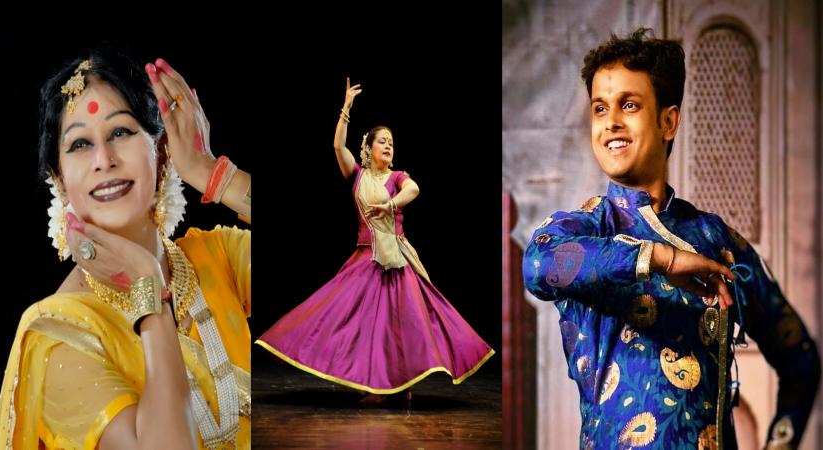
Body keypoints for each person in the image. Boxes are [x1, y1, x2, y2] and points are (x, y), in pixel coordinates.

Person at [522, 28, 820, 449]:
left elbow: (800, 358)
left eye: (629, 105)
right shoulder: (583, 229)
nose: (611, 122)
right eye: (599, 108)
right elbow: (537, 267)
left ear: (668, 120)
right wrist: (664, 259)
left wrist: (781, 443)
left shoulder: (715, 240)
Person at [0, 47, 251, 449]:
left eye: (120, 132)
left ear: (162, 150)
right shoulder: (58, 333)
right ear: (60, 181)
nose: (104, 159)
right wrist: (148, 289)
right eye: (80, 144)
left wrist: (212, 173)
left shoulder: (219, 258)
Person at [256, 78, 493, 401]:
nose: (388, 146)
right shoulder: (358, 175)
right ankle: (380, 387)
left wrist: (391, 204)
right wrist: (346, 108)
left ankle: (399, 385)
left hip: (395, 260)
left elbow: (414, 190)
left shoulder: (397, 178)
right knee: (359, 325)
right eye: (381, 141)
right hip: (365, 259)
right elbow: (338, 147)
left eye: (391, 142)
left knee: (404, 326)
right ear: (367, 149)